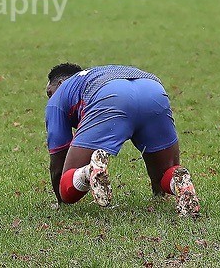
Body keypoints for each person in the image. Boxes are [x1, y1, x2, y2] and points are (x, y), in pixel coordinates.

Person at [44, 63, 200, 217]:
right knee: (166, 172)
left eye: (49, 93)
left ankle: (88, 171)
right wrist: (159, 195)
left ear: (60, 83)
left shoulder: (60, 95)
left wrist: (61, 200)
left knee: (67, 186)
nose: (50, 98)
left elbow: (58, 159)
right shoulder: (94, 75)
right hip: (152, 89)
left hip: (110, 95)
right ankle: (178, 183)